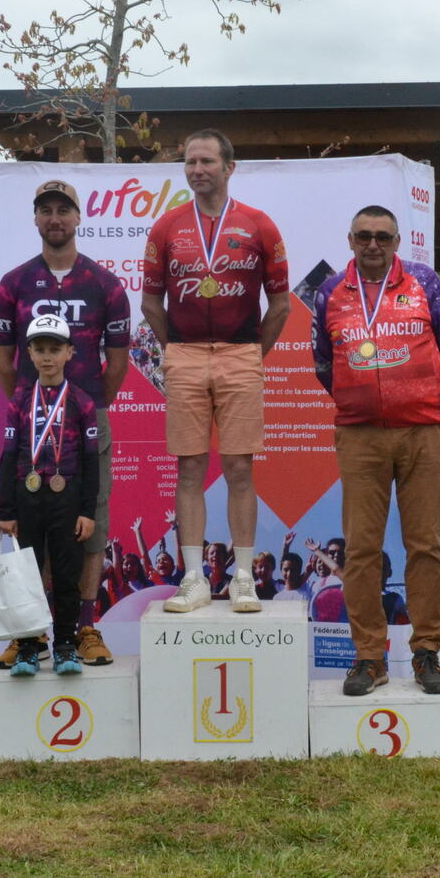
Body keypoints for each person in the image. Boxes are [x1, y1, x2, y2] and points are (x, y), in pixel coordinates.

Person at [312, 204, 440, 695]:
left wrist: (417, 393)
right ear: (350, 240)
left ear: (397, 242)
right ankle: (369, 658)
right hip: (360, 436)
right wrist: (361, 398)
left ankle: (426, 652)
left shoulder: (424, 281)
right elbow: (323, 363)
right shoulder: (330, 291)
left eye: (382, 236)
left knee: (424, 545)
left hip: (422, 431)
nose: (373, 245)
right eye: (364, 236)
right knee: (361, 549)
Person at [142, 128, 290, 613]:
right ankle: (193, 578)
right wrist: (175, 349)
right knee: (188, 467)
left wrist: (252, 353)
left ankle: (243, 577)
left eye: (206, 161)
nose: (197, 170)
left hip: (240, 353)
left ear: (229, 167)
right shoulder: (166, 227)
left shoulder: (259, 225)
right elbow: (150, 302)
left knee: (239, 466)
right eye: (190, 162)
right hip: (185, 354)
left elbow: (281, 304)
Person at [0, 179, 129, 666]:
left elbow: (118, 362)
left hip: (87, 422)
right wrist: (27, 405)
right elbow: (2, 361)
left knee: (89, 527)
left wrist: (88, 405)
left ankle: (85, 627)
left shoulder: (105, 285)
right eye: (46, 210)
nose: (55, 218)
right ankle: (31, 633)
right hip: (30, 427)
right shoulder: (13, 283)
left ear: (78, 218)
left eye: (63, 210)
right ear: (35, 218)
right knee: (33, 531)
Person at [0, 314, 100, 676]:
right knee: (27, 576)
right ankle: (27, 648)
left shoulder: (82, 402)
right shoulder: (19, 402)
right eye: (40, 349)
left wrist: (87, 511)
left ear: (70, 352)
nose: (48, 356)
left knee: (67, 575)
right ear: (29, 354)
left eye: (55, 349)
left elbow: (91, 462)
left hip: (67, 499)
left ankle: (65, 645)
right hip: (28, 499)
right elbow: (8, 456)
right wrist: (7, 510)